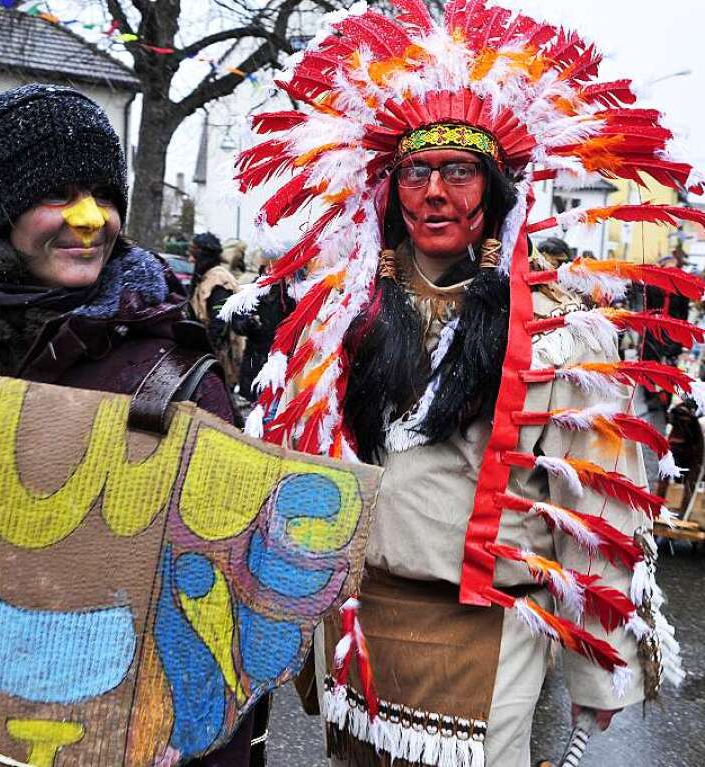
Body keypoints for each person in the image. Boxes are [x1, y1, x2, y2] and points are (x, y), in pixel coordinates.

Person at [229, 4, 693, 765]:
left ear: (495, 189)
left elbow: (597, 506)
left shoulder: (559, 334)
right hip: (359, 630)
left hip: (487, 640)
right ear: (393, 185)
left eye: (459, 170)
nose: (435, 191)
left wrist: (598, 676)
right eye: (417, 170)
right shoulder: (342, 315)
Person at [0, 83, 264, 766]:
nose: (92, 218)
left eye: (104, 194)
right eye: (58, 193)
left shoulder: (177, 381)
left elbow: (222, 629)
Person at [230, 249, 295, 403]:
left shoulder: (291, 294)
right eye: (270, 268)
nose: (274, 273)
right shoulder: (252, 291)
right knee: (251, 407)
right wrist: (248, 324)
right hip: (254, 361)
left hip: (281, 363)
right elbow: (236, 324)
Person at [188, 232, 244, 387]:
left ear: (204, 255)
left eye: (194, 254)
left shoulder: (218, 281)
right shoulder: (206, 277)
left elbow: (219, 323)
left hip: (220, 357)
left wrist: (206, 354)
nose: (190, 259)